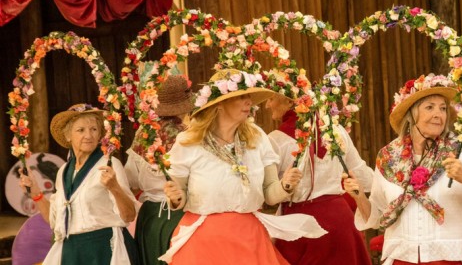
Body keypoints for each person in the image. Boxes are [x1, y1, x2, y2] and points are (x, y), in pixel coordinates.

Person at [158, 69, 327, 264]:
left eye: (249, 97)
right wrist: (176, 197)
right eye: (241, 97)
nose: (249, 102)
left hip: (250, 239)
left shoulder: (257, 137)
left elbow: (270, 195)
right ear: (219, 105)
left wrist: (285, 185)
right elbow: (180, 196)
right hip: (204, 242)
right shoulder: (189, 142)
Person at [342, 74, 462, 265]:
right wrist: (359, 196)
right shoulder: (388, 156)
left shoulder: (461, 149)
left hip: (449, 259)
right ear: (412, 114)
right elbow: (377, 216)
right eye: (430, 107)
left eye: (443, 108)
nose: (439, 114)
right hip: (400, 258)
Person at [19, 103, 139, 264]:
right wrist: (35, 192)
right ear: (68, 136)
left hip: (103, 249)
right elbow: (54, 221)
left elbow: (129, 215)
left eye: (93, 129)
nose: (88, 135)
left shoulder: (109, 165)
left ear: (99, 136)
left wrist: (114, 187)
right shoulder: (63, 172)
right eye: (81, 130)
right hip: (73, 251)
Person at [265, 93, 373, 265]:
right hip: (341, 221)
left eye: (271, 99)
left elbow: (268, 193)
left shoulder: (275, 140)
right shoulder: (336, 130)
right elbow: (361, 174)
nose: (267, 105)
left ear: (288, 100)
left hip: (299, 228)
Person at [124, 75, 194, 265]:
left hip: (151, 217)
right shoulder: (189, 135)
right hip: (183, 214)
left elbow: (131, 180)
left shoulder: (143, 134)